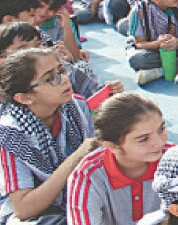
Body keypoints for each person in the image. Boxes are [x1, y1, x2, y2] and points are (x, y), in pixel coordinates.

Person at [0, 48, 97, 224]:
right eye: (50, 78)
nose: (64, 79)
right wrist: (77, 156)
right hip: (35, 212)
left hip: (77, 194)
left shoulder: (76, 107)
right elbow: (23, 209)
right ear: (24, 98)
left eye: (61, 70)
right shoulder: (10, 133)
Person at [66, 93, 168, 224]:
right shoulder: (87, 176)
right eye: (143, 139)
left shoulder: (177, 160)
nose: (159, 142)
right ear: (112, 146)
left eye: (161, 129)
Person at [126, 0, 178, 85]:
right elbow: (139, 43)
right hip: (153, 50)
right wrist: (159, 43)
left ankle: (158, 72)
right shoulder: (139, 11)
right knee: (136, 59)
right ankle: (171, 68)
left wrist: (177, 42)